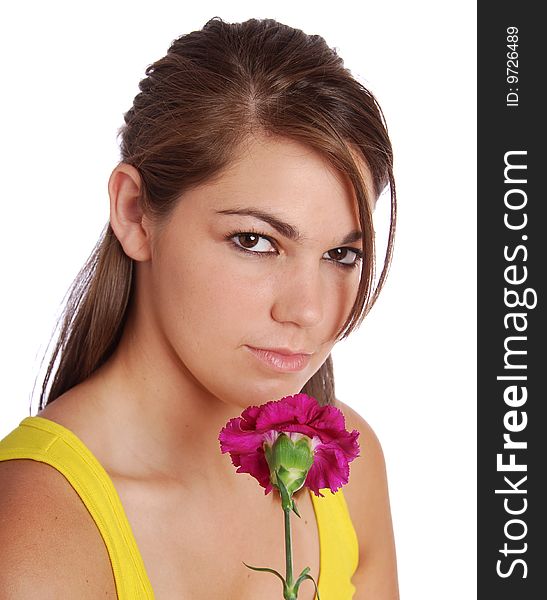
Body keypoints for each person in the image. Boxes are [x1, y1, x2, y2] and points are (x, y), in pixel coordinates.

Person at [0, 16, 398, 600]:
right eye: (255, 241)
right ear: (135, 212)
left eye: (340, 253)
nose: (308, 311)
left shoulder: (342, 467)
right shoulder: (35, 529)